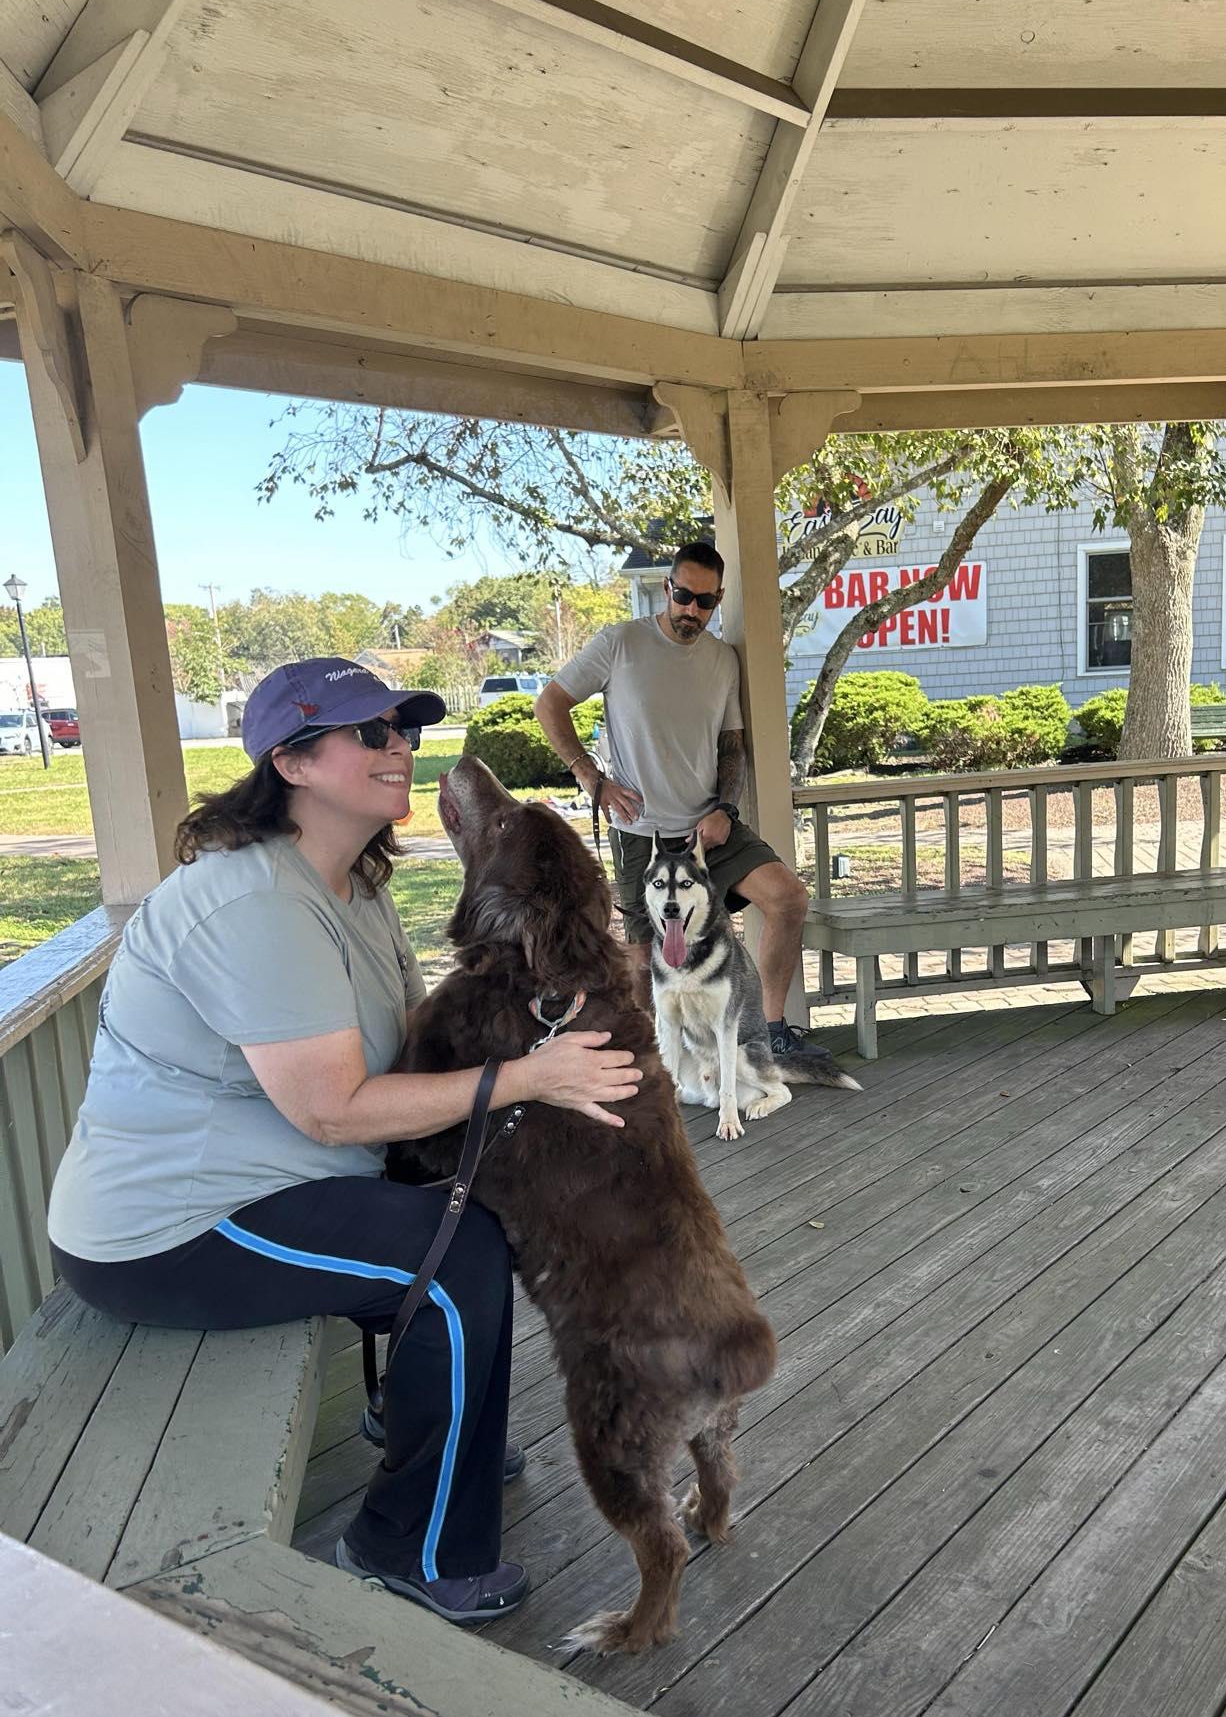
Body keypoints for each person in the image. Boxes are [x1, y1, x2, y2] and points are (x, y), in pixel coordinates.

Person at [46, 656, 640, 1625]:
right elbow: (331, 1111)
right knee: (452, 1256)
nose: (400, 747)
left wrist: (546, 1010)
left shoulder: (349, 884)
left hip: (274, 1183)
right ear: (292, 761)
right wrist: (533, 1077)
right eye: (371, 732)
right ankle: (410, 1546)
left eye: (404, 728)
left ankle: (429, 1419)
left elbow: (408, 1034)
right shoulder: (258, 904)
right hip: (171, 1227)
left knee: (465, 1218)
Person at [534, 540, 832, 1061]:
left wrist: (725, 809)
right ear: (667, 589)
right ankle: (658, 1058)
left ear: (718, 600)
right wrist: (590, 775)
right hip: (641, 832)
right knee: (644, 955)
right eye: (684, 596)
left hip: (709, 829)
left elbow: (731, 745)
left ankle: (767, 1031)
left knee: (788, 899)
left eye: (706, 602)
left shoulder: (722, 660)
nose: (692, 611)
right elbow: (551, 702)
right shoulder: (620, 642)